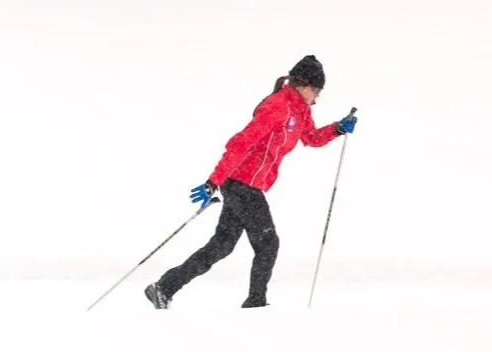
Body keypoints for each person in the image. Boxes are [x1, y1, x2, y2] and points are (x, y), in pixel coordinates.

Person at [144, 55, 357, 309]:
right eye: (316, 90)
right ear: (302, 84)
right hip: (241, 183)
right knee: (268, 243)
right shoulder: (277, 106)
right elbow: (241, 143)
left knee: (221, 246)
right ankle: (256, 304)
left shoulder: (300, 111)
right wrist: (214, 180)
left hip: (246, 185)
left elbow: (311, 138)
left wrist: (338, 128)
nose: (318, 97)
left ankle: (164, 287)